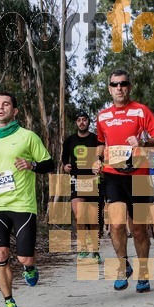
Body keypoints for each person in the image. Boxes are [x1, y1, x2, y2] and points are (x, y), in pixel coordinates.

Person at [0, 93, 55, 307]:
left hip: (23, 205)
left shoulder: (27, 137)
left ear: (15, 110)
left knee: (24, 258)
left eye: (6, 104)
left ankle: (30, 267)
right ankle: (9, 302)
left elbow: (49, 164)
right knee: (0, 254)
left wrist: (31, 164)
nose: (1, 108)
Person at [95, 69, 154, 293]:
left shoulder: (141, 111)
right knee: (115, 224)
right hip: (113, 175)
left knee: (139, 230)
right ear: (109, 88)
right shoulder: (102, 116)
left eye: (123, 84)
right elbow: (100, 142)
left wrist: (143, 140)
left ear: (129, 87)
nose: (119, 88)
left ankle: (143, 274)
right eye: (114, 84)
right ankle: (123, 265)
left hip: (140, 177)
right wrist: (97, 160)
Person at [61, 110, 103, 263]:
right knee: (79, 215)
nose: (81, 122)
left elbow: (102, 156)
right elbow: (64, 158)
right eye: (78, 120)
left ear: (88, 122)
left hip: (93, 180)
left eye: (84, 119)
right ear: (76, 123)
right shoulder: (70, 140)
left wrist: (99, 165)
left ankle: (95, 250)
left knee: (93, 218)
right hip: (76, 180)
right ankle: (83, 247)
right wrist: (66, 166)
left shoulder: (96, 139)